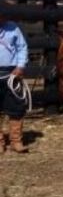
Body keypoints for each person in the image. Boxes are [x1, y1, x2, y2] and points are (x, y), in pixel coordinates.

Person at [0, 12, 29, 153]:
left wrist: (20, 66)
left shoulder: (13, 28)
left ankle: (16, 141)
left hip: (11, 73)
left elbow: (21, 47)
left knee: (16, 107)